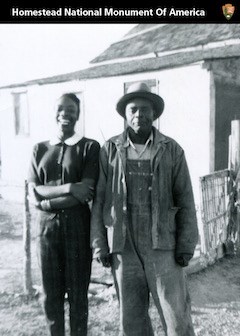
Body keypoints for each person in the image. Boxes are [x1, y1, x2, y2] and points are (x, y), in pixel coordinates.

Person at [90, 82, 199, 335]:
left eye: (145, 109)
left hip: (163, 245)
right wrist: (99, 244)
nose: (139, 114)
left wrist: (185, 244)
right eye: (133, 109)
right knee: (131, 319)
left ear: (154, 114)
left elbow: (185, 199)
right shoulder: (110, 151)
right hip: (123, 245)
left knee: (176, 316)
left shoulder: (171, 150)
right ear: (125, 115)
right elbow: (100, 201)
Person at [27, 93, 100, 336]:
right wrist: (69, 187)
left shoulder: (89, 147)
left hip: (78, 228)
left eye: (71, 109)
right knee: (50, 294)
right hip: (46, 231)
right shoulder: (39, 148)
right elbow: (34, 191)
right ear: (53, 111)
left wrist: (48, 201)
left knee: (78, 295)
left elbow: (85, 192)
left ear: (78, 113)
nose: (65, 113)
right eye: (60, 108)